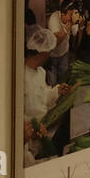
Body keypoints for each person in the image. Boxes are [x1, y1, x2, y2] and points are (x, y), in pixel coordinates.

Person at [24, 26, 70, 165]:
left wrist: (57, 91)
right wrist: (30, 126)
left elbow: (43, 97)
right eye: (50, 51)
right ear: (44, 52)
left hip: (42, 133)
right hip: (26, 139)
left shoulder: (40, 72)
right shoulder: (20, 76)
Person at [45, 0, 79, 86]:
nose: (72, 17)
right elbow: (56, 42)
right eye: (70, 15)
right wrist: (70, 24)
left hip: (64, 53)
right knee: (52, 84)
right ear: (63, 14)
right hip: (52, 55)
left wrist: (78, 22)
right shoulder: (53, 19)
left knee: (63, 81)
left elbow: (74, 33)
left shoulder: (71, 17)